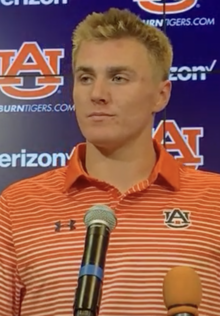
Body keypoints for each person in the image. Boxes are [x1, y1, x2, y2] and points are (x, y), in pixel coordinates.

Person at [1, 7, 220, 316]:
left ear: (161, 95)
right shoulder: (16, 206)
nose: (98, 94)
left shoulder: (215, 201)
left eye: (118, 77)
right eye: (86, 77)